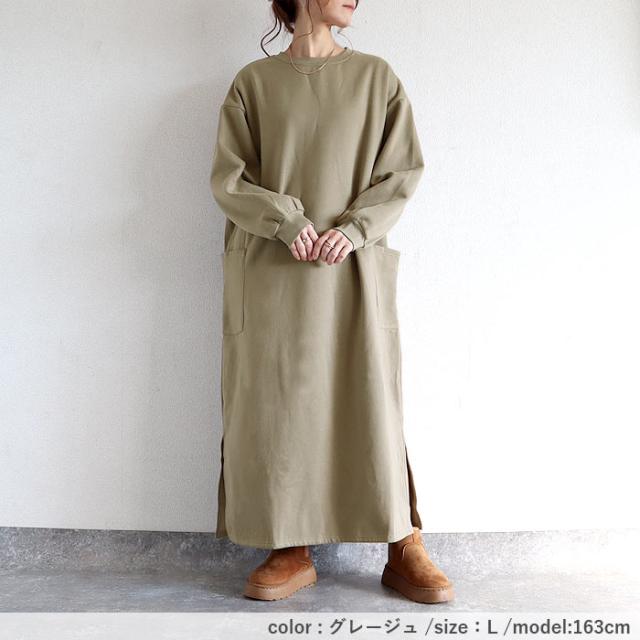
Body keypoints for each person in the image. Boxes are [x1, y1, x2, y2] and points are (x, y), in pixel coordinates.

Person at [210, 0, 454, 604]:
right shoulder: (253, 84)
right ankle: (288, 544)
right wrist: (285, 221)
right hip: (273, 269)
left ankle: (402, 539)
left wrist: (354, 229)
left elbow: (401, 172)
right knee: (278, 403)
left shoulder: (376, 78)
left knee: (368, 396)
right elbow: (230, 178)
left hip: (352, 266)